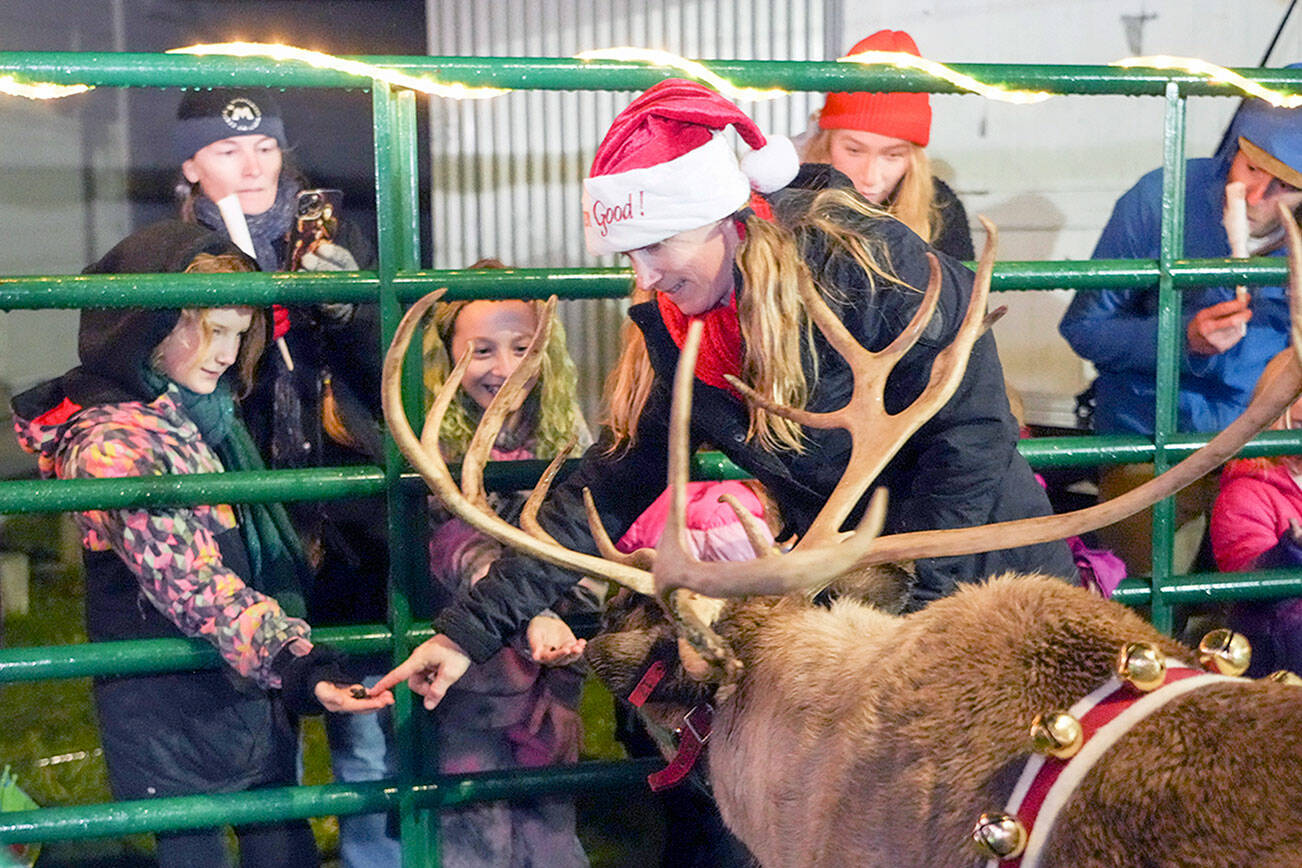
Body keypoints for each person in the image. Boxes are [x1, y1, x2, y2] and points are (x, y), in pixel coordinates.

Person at [375, 78, 1075, 710]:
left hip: (988, 576)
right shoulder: (685, 337)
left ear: (724, 221)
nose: (645, 278)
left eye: (659, 245)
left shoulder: (873, 266)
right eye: (630, 254)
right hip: (855, 598)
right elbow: (606, 490)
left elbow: (973, 439)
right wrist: (465, 634)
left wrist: (918, 615)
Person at [9, 229, 392, 868]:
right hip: (170, 712)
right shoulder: (113, 445)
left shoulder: (202, 413)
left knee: (283, 846)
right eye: (210, 329)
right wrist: (298, 659)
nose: (226, 352)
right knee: (199, 851)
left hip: (242, 694)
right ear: (148, 324)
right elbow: (189, 581)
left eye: (239, 332)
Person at [169, 87, 397, 866]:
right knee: (272, 718)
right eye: (228, 150)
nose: (252, 164)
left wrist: (350, 310)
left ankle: (377, 854)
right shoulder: (173, 253)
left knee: (366, 716)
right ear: (192, 164)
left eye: (265, 146)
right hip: (247, 506)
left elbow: (389, 368)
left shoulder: (342, 236)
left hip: (346, 506)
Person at [1058, 84, 1302, 574]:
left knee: (1265, 606)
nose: (1258, 196)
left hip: (1267, 454)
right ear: (1235, 144)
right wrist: (1181, 338)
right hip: (1152, 440)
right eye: (1251, 167)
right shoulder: (1161, 198)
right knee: (1148, 602)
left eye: (1285, 184)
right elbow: (1083, 328)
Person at [421, 268, 596, 867]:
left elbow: (589, 561)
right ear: (446, 358)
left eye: (523, 348)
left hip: (548, 687)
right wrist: (535, 616)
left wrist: (568, 691)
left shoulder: (567, 438)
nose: (504, 367)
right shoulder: (434, 448)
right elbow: (461, 546)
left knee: (551, 836)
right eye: (480, 351)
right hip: (469, 694)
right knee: (475, 840)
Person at [797, 29, 974, 261]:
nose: (871, 177)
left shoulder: (939, 209)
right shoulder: (791, 199)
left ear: (913, 157)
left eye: (893, 156)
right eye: (854, 150)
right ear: (827, 141)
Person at [1209, 351, 1302, 676]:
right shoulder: (1246, 492)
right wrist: (1291, 550)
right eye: (1298, 426)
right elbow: (1247, 580)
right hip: (1274, 639)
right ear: (1269, 419)